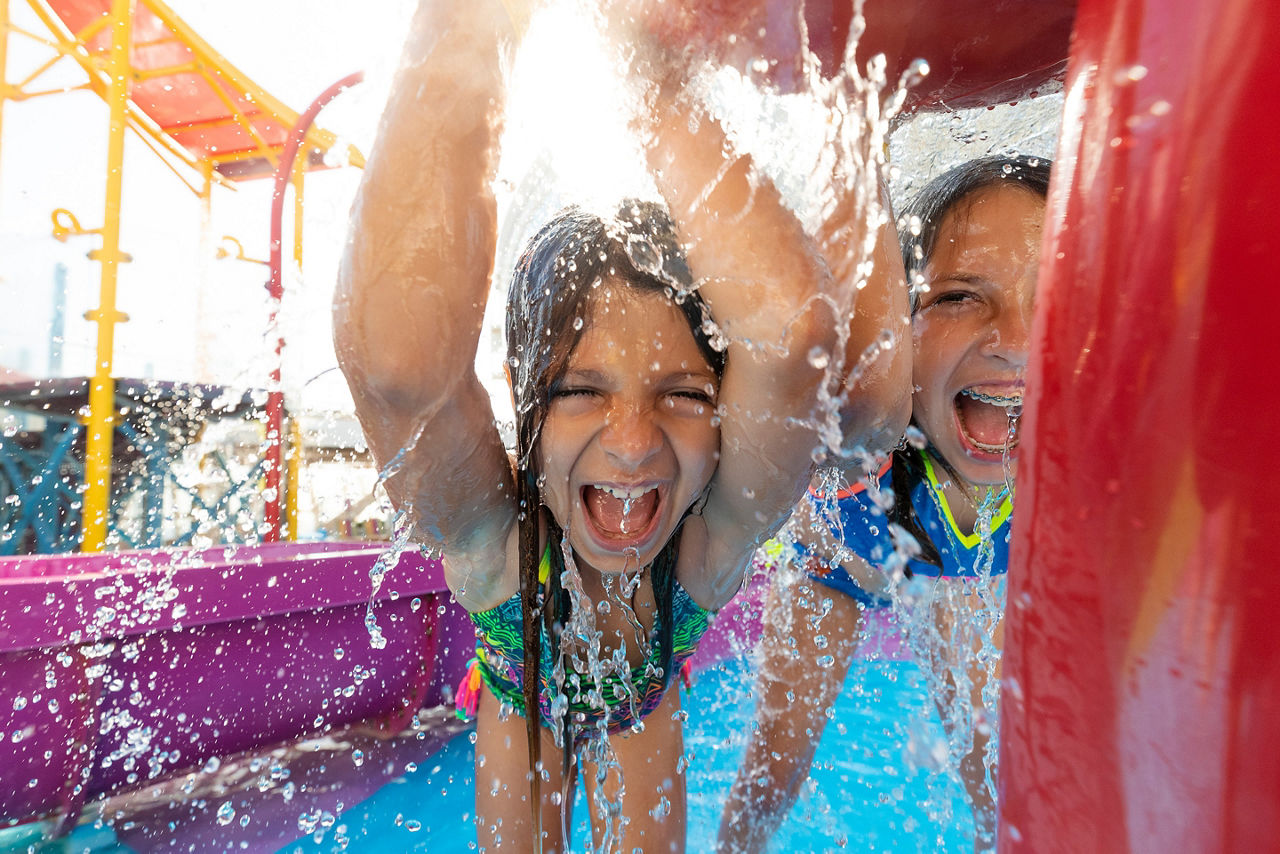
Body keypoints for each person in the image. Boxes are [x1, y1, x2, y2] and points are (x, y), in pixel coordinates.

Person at [333, 1, 908, 851]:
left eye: (682, 393)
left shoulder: (706, 545)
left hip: (643, 698)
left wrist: (649, 79)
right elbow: (400, 373)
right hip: (518, 690)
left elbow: (790, 338)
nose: (634, 442)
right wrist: (469, 26)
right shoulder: (498, 543)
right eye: (580, 392)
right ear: (525, 407)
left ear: (723, 412)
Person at [718, 154, 1051, 853]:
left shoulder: (1086, 443)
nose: (1017, 342)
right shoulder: (867, 430)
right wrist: (858, 135)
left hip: (953, 569)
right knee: (775, 767)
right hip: (838, 561)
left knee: (994, 766)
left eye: (1050, 296)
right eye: (960, 296)